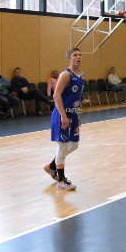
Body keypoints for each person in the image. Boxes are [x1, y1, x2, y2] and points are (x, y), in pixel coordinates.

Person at [43, 48, 85, 191]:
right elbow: (56, 96)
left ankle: (52, 166)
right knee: (62, 147)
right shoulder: (65, 75)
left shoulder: (81, 75)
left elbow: (76, 97)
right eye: (75, 55)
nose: (78, 57)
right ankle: (61, 179)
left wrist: (76, 113)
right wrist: (63, 115)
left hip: (72, 114)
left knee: (74, 145)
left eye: (80, 55)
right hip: (62, 114)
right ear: (69, 59)